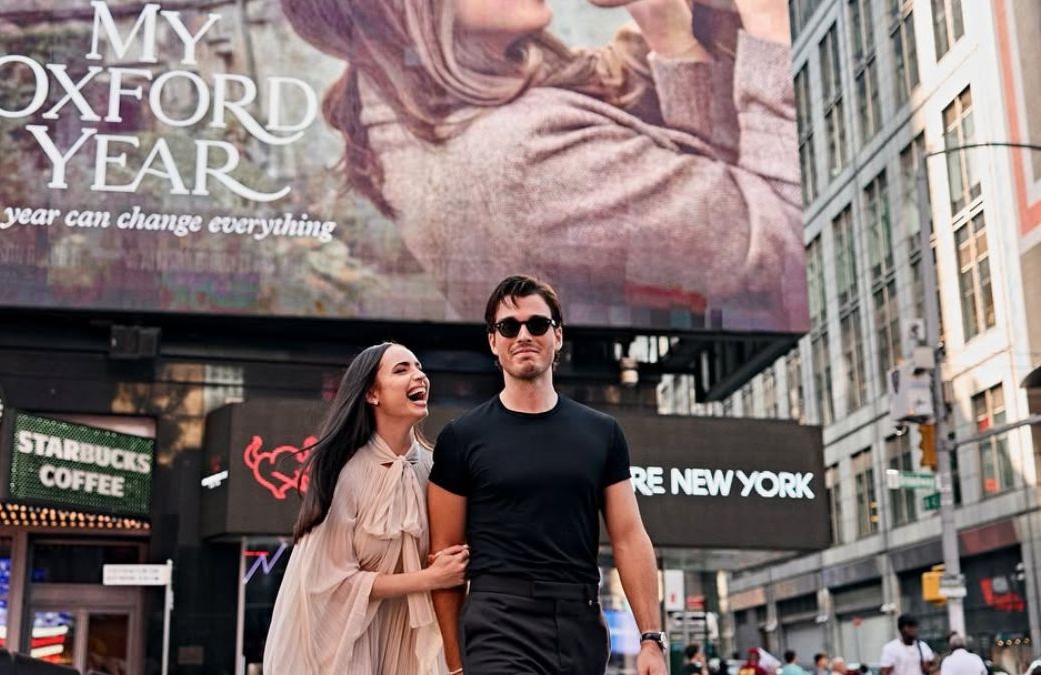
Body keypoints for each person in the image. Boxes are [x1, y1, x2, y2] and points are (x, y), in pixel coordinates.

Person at [281, 0, 806, 331]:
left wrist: (664, 26)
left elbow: (617, 115)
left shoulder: (420, 108)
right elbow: (787, 243)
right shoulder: (517, 163)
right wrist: (769, 24)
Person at [427, 275, 665, 675]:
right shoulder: (461, 438)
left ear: (558, 335)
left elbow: (628, 536)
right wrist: (454, 663)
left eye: (537, 324)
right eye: (509, 326)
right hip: (497, 624)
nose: (523, 335)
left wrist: (651, 638)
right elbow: (445, 556)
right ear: (493, 341)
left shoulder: (603, 433)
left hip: (580, 623)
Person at [263, 342, 469, 675]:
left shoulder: (436, 471)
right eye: (402, 370)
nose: (419, 376)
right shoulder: (345, 474)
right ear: (372, 394)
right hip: (352, 649)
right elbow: (330, 583)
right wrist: (429, 578)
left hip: (414, 652)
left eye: (419, 367)